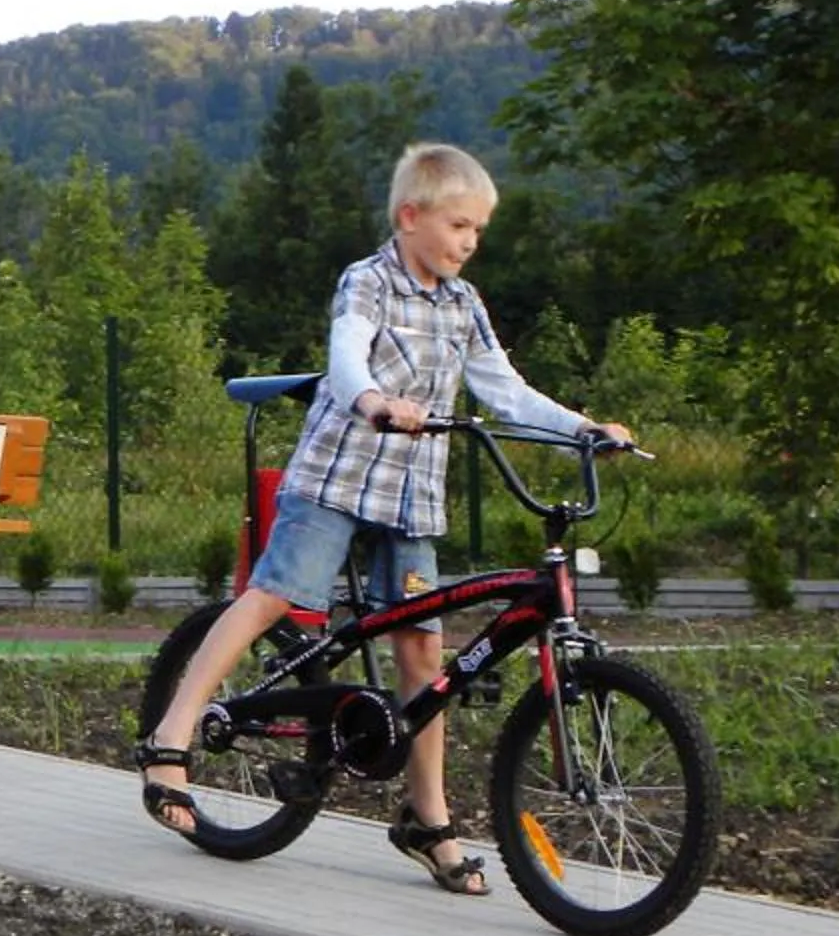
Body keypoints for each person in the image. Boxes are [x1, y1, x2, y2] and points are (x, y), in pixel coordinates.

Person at [136, 142, 631, 896]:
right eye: (459, 224)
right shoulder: (367, 282)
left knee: (423, 658)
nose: (469, 241)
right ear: (411, 216)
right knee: (273, 594)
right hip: (337, 477)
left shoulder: (463, 305)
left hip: (410, 495)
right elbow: (347, 359)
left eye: (478, 231)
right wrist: (373, 402)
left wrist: (582, 428)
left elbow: (508, 392)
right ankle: (171, 736)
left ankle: (427, 820)